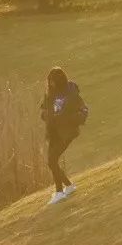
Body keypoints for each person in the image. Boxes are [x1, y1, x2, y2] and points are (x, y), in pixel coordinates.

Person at [39, 67, 88, 205]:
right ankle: (69, 186)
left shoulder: (71, 93)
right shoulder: (49, 94)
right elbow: (43, 110)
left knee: (52, 160)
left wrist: (69, 119)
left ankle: (59, 192)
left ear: (59, 81)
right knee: (51, 162)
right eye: (49, 81)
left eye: (52, 81)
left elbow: (83, 110)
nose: (50, 84)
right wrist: (46, 116)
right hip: (53, 132)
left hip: (66, 133)